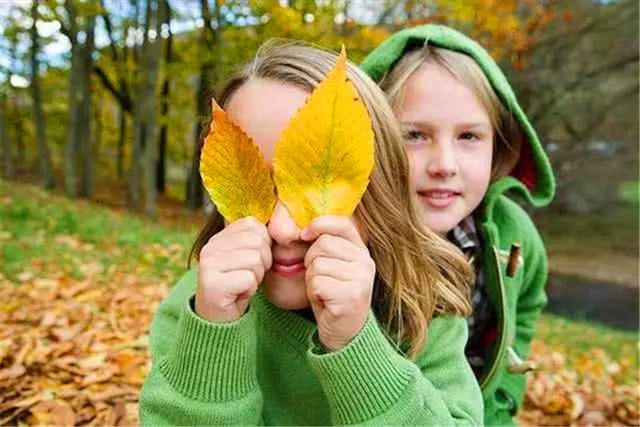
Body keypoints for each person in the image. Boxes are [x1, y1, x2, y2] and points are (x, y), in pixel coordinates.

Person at [138, 40, 484, 426]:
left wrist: (356, 348)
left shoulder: (424, 310)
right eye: (257, 188)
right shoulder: (196, 310)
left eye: (313, 187)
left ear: (382, 192)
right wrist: (213, 339)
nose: (284, 229)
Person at [361, 24, 556, 425]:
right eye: (414, 135)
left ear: (500, 146)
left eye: (469, 137)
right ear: (370, 138)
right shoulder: (349, 238)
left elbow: (524, 315)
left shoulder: (515, 234)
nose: (444, 165)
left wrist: (500, 408)